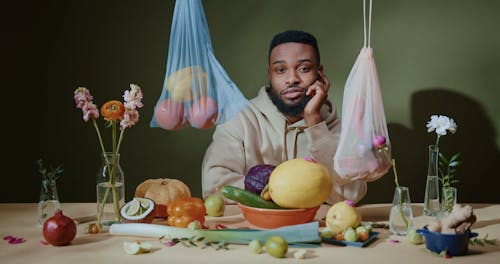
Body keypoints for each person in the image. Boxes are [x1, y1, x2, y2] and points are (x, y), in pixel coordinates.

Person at [202, 30, 386, 204]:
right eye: (280, 70)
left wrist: (315, 123)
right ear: (270, 74)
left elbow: (350, 194)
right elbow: (214, 185)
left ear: (320, 74)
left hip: (319, 231)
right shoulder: (240, 119)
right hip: (256, 229)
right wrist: (282, 194)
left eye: (304, 68)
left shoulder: (342, 129)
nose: (292, 79)